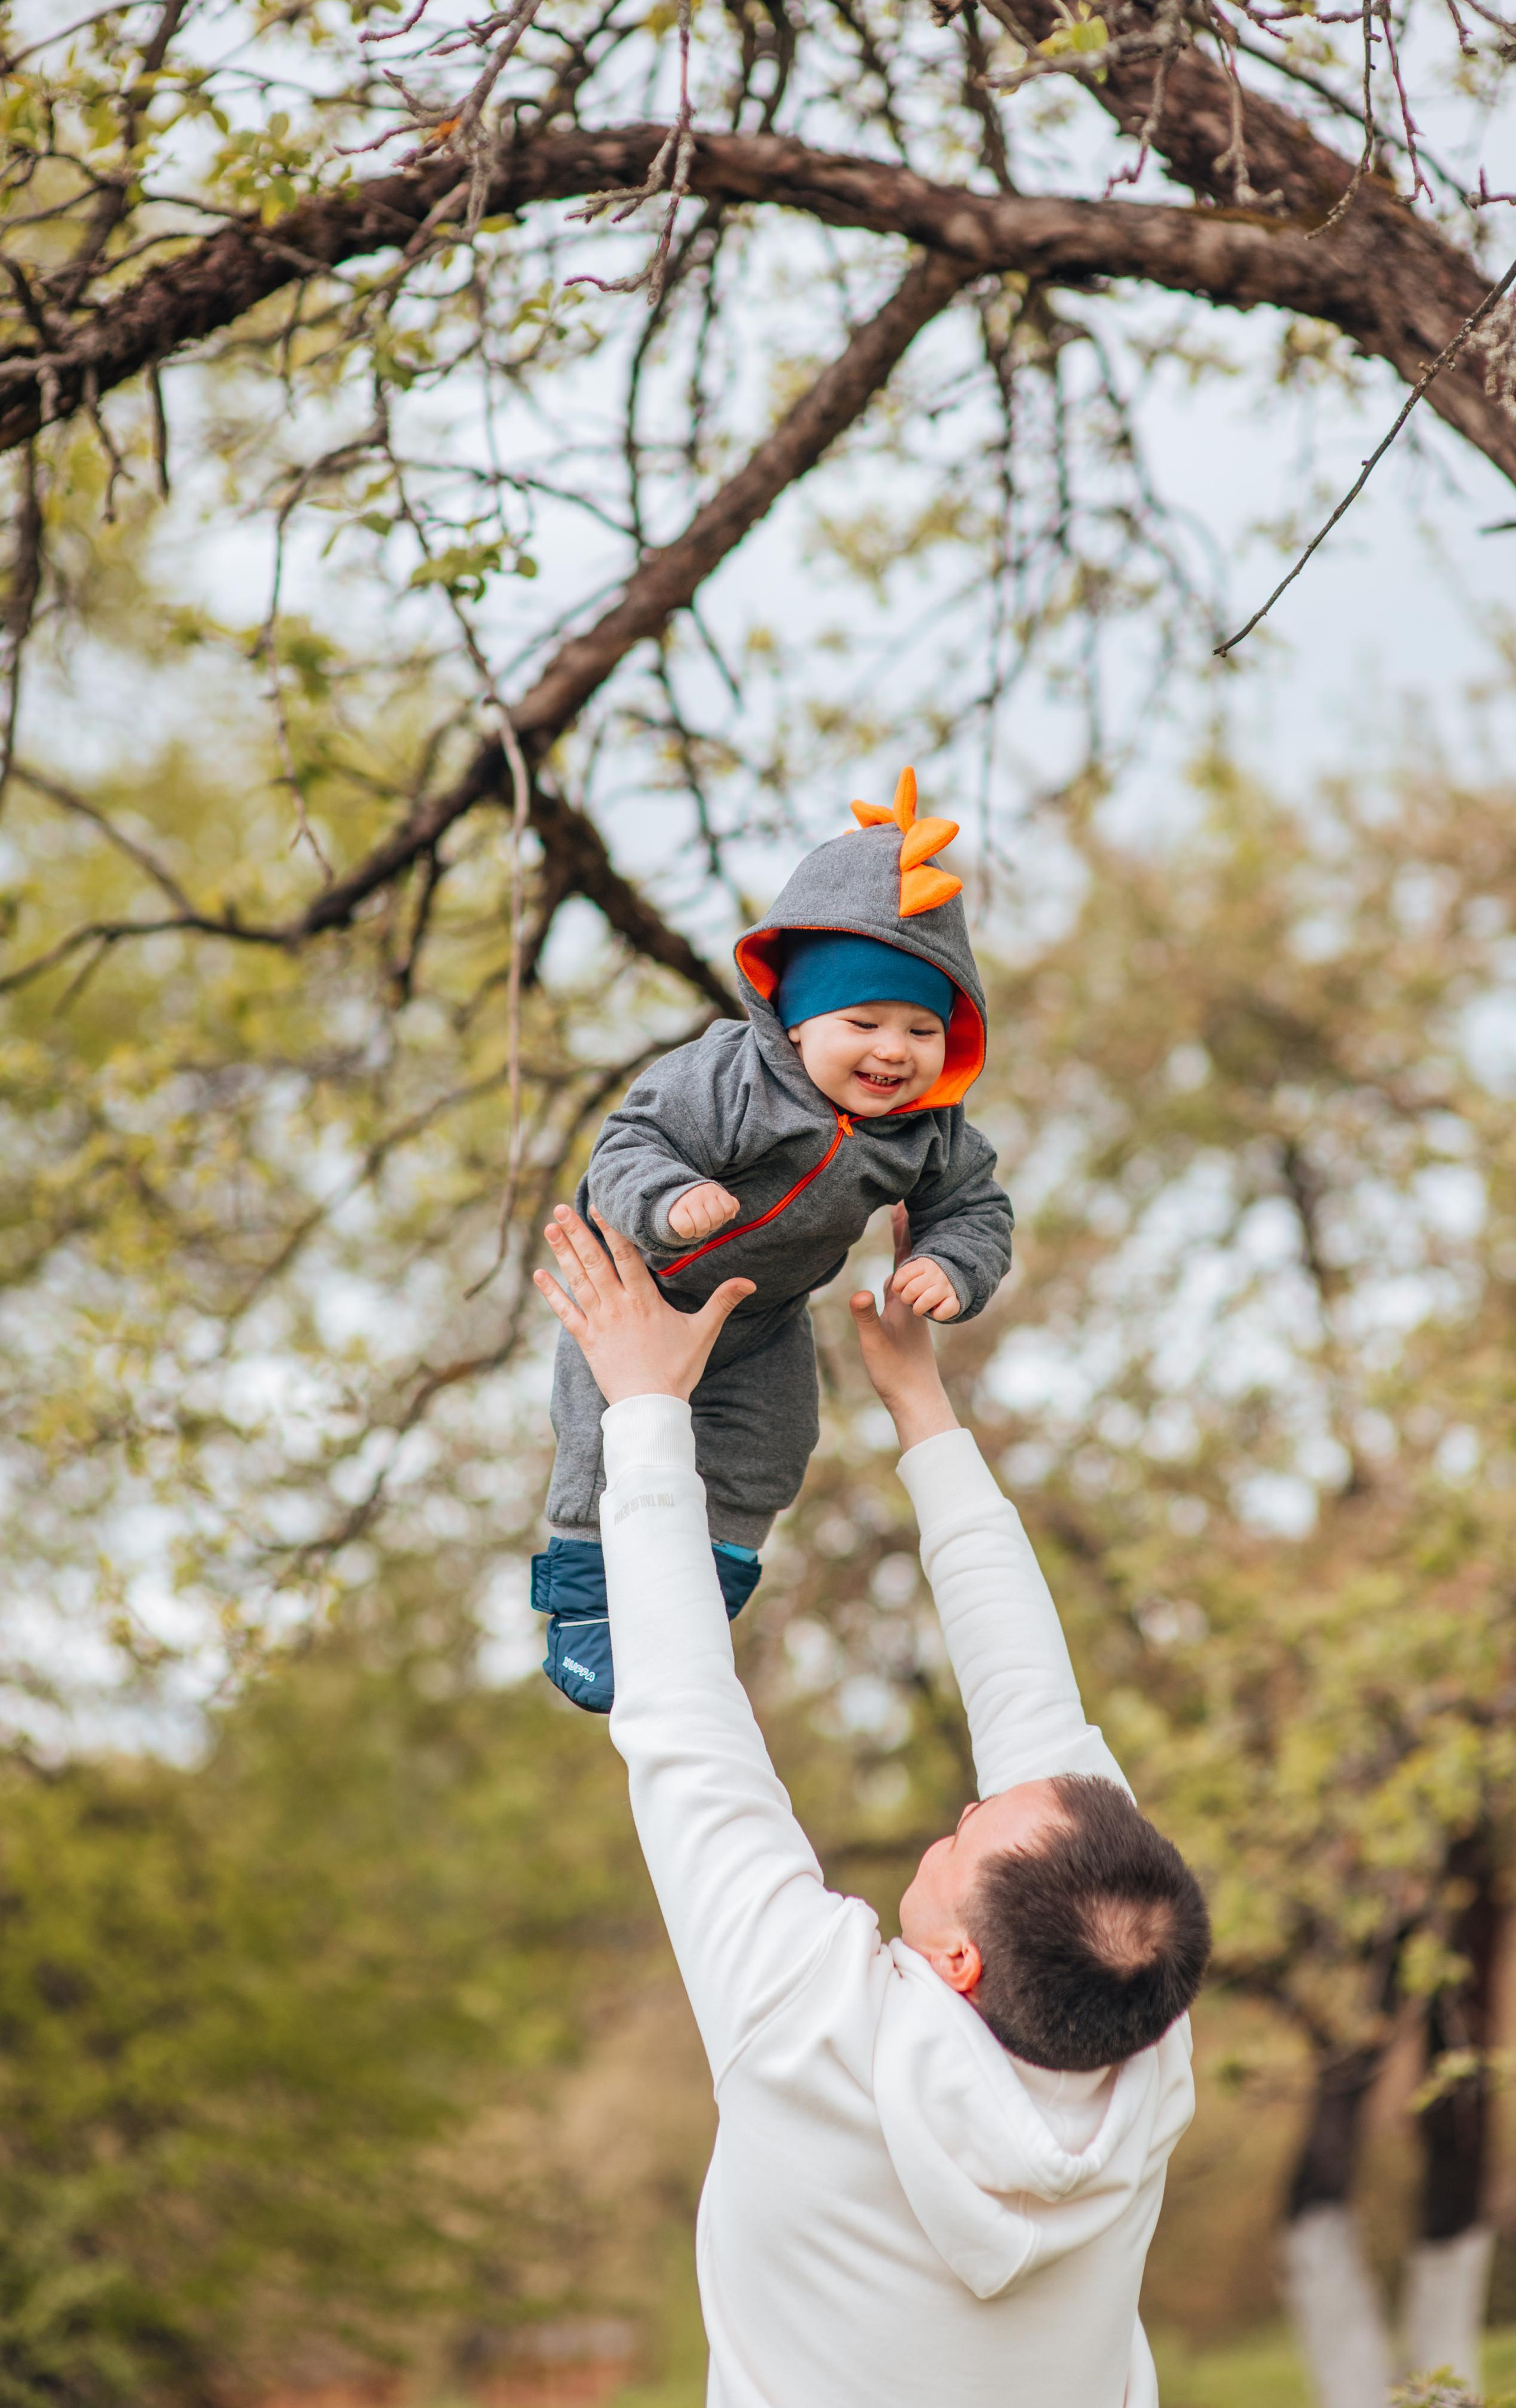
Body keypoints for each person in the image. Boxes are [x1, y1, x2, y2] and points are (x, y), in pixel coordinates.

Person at [531, 1200, 1210, 2408]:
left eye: (961, 1843)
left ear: (957, 1958)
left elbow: (686, 1726)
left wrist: (641, 1412)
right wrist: (922, 1410)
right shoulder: (1134, 2039)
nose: (956, 1818)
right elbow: (1031, 1706)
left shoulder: (814, 2031)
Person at [532, 767, 1014, 1712]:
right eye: (864, 1021)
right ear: (795, 1021)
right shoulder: (728, 1077)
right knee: (599, 1433)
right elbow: (631, 1140)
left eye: (923, 1029)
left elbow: (978, 1207)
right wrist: (671, 1199)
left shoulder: (926, 1134)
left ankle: (713, 1570)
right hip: (637, 1294)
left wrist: (950, 1264)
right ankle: (587, 1607)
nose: (893, 1050)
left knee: (778, 1437)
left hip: (763, 1315)